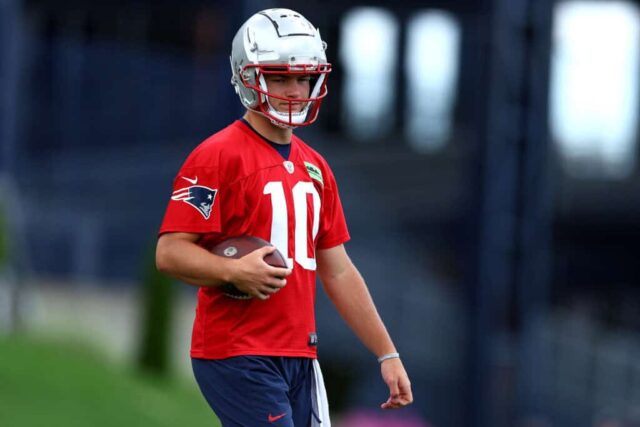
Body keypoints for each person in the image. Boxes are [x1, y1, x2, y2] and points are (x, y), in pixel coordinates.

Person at [155, 8, 412, 427]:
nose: (293, 89)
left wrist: (387, 352)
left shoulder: (317, 169)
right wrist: (232, 270)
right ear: (248, 76)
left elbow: (339, 271)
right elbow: (169, 253)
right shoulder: (216, 156)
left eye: (302, 78)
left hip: (299, 354)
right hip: (237, 351)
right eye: (278, 77)